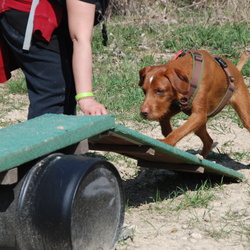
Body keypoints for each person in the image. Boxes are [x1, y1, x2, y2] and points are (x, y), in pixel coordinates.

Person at [0, 0, 108, 119]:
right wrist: (86, 98)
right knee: (53, 87)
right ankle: (42, 135)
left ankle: (65, 133)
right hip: (27, 11)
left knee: (69, 84)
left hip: (57, 13)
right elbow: (80, 38)